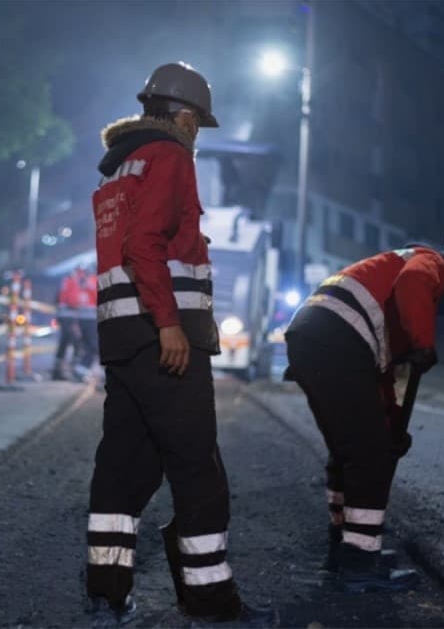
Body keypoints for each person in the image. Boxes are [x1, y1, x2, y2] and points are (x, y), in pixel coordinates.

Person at [85, 62, 275, 626]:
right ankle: (211, 602)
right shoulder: (171, 155)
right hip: (162, 337)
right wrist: (169, 323)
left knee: (123, 466)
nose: (197, 134)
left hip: (121, 336)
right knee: (198, 468)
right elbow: (146, 244)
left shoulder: (119, 166)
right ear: (186, 117)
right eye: (199, 123)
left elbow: (127, 245)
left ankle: (106, 595)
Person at [283, 225, 444, 593]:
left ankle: (346, 551)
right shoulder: (431, 263)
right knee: (370, 457)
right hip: (335, 340)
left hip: (316, 338)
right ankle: (359, 565)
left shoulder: (389, 287)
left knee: (352, 450)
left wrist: (392, 426)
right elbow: (414, 284)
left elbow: (379, 380)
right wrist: (423, 343)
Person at [53, 268, 84, 381]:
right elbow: (73, 301)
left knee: (64, 343)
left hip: (63, 316)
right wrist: (81, 305)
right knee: (76, 343)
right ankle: (74, 371)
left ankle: (57, 371)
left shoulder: (65, 281)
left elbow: (57, 298)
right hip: (69, 316)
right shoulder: (73, 282)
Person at [73, 264, 99, 379]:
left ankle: (80, 370)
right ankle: (81, 369)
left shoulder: (80, 282)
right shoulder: (93, 281)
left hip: (83, 319)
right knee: (93, 346)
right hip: (90, 319)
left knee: (88, 347)